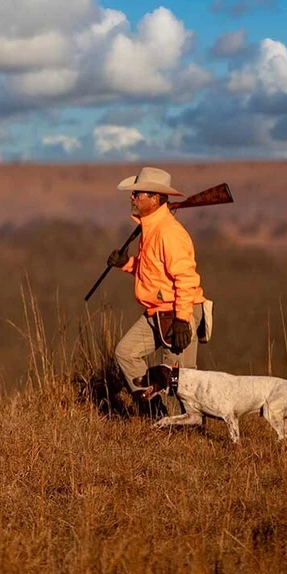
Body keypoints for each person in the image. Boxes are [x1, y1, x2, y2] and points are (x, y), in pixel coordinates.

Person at [108, 166, 208, 413]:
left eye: (137, 194)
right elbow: (153, 273)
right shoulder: (151, 228)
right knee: (126, 353)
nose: (132, 198)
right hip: (156, 312)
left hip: (177, 312)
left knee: (180, 382)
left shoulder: (168, 232)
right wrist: (127, 264)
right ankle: (155, 411)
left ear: (154, 198)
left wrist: (183, 319)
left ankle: (189, 432)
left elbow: (186, 279)